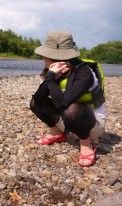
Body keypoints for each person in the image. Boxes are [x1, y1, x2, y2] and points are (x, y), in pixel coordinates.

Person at [30, 31, 106, 167]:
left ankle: (86, 144)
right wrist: (51, 77)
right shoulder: (51, 72)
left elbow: (63, 104)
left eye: (45, 56)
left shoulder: (84, 72)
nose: (43, 59)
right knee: (35, 102)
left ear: (53, 58)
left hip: (92, 124)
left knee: (71, 108)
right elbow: (38, 100)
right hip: (68, 119)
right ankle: (56, 133)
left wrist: (51, 79)